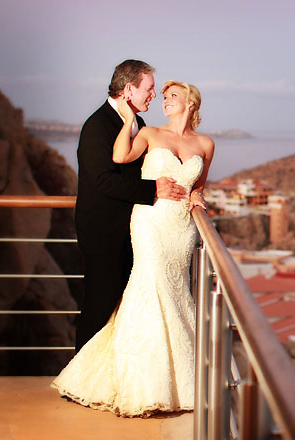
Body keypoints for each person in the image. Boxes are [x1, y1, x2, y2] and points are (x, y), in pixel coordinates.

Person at [52, 80, 214, 417]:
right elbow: (119, 157)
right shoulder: (149, 132)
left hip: (182, 230)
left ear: (190, 102)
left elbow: (199, 185)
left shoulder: (206, 143)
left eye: (171, 95)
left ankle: (178, 382)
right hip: (150, 224)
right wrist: (128, 121)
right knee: (151, 289)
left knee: (176, 293)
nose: (163, 100)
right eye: (160, 94)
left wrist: (198, 196)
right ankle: (145, 384)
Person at [72, 59, 186, 352]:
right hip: (103, 231)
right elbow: (102, 181)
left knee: (125, 306)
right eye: (148, 89)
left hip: (132, 230)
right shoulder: (97, 126)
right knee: (100, 303)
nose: (153, 95)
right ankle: (78, 376)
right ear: (128, 89)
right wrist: (154, 189)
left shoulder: (139, 123)